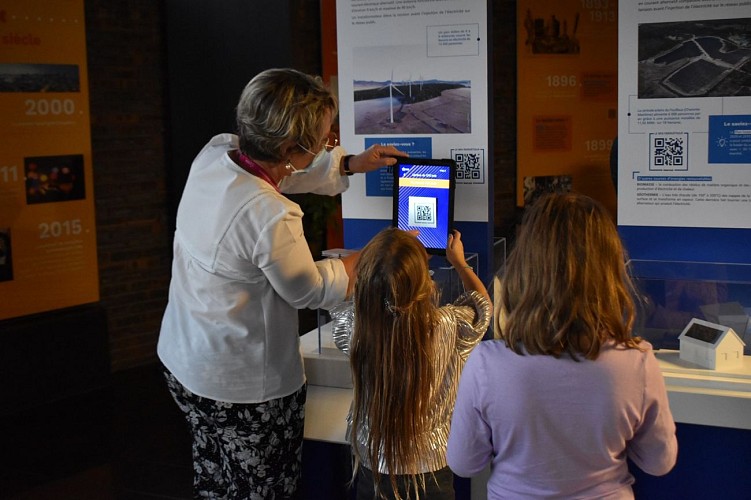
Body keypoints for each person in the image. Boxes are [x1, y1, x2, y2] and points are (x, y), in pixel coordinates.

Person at [157, 68, 406, 499]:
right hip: (241, 387)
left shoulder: (216, 155)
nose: (331, 144)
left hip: (185, 363)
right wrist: (374, 252)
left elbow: (281, 171)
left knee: (217, 476)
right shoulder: (270, 214)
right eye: (327, 140)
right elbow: (308, 289)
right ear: (291, 148)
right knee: (262, 489)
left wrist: (349, 164)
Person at [447, 192, 678, 499]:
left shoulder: (488, 363)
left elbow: (464, 463)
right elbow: (659, 462)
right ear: (609, 270)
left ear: (525, 266)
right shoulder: (637, 361)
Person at [331, 227, 491, 500]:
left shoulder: (356, 328)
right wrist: (459, 263)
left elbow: (349, 290)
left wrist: (382, 253)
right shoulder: (448, 325)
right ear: (425, 283)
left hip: (373, 466)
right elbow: (483, 307)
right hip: (432, 469)